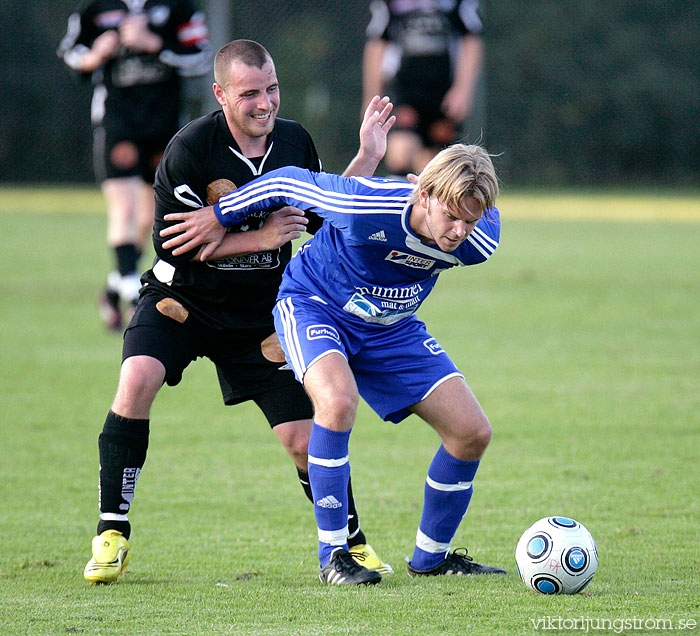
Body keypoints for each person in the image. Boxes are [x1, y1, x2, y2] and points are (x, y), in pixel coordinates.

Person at [81, 39, 396, 584]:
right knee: (136, 380)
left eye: (272, 88)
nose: (265, 103)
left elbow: (324, 214)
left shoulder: (295, 142)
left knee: (303, 436)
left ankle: (350, 542)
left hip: (261, 313)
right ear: (221, 93)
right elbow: (171, 246)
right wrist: (264, 235)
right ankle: (112, 532)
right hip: (182, 299)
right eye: (250, 93)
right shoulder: (190, 148)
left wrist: (367, 156)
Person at [160, 143, 509, 585]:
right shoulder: (365, 204)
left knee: (471, 433)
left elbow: (468, 227)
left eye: (470, 220)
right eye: (452, 216)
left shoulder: (481, 238)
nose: (460, 231)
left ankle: (432, 558)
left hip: (392, 327)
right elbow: (285, 180)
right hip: (314, 305)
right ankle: (335, 556)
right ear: (422, 193)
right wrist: (220, 214)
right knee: (338, 403)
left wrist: (465, 223)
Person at [57, 0, 211, 331]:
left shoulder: (179, 7)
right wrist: (96, 55)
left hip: (164, 127)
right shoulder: (96, 9)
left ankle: (115, 288)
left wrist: (154, 43)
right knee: (124, 212)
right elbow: (70, 52)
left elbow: (201, 57)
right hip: (119, 125)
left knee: (149, 220)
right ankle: (133, 299)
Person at [362, 0, 485, 177]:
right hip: (404, 90)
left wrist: (462, 90)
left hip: (443, 92)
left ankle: (428, 201)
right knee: (400, 154)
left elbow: (472, 41)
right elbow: (377, 44)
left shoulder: (457, 4)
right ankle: (400, 202)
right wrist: (372, 97)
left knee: (436, 163)